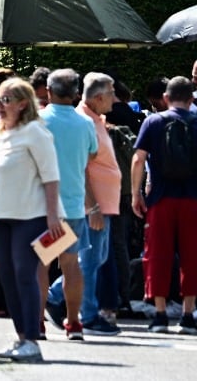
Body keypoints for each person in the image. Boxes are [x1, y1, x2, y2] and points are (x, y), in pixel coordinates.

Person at [132, 75, 197, 335]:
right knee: (193, 255)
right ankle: (188, 315)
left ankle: (160, 314)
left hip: (160, 198)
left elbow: (138, 159)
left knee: (158, 254)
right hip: (193, 198)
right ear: (192, 99)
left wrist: (137, 193)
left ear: (166, 97)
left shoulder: (153, 122)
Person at [0, 76, 60, 364]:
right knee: (7, 278)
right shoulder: (4, 134)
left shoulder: (35, 132)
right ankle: (21, 337)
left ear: (23, 104)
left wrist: (52, 215)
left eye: (6, 100)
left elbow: (51, 176)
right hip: (2, 217)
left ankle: (32, 339)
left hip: (30, 216)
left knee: (24, 275)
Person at [39, 69, 96, 341]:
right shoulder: (85, 123)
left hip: (42, 205)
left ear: (48, 91)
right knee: (71, 264)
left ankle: (37, 321)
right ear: (76, 94)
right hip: (73, 205)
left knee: (40, 263)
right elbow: (92, 154)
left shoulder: (38, 120)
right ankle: (74, 322)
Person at [78, 71, 123, 335]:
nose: (115, 99)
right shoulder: (86, 122)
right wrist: (92, 206)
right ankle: (87, 314)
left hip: (102, 204)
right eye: (112, 94)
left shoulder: (95, 120)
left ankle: (57, 295)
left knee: (96, 258)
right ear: (98, 98)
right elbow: (81, 168)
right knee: (90, 260)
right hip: (94, 206)